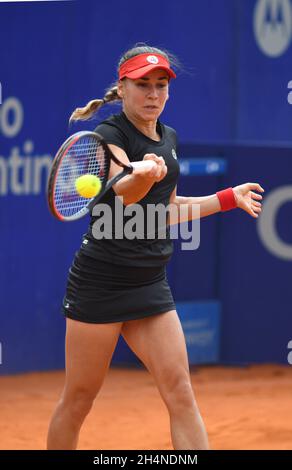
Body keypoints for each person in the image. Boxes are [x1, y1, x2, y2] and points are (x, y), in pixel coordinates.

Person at [47, 45, 264, 450]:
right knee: (78, 400)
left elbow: (166, 210)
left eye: (160, 85)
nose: (152, 94)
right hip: (100, 284)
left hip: (149, 283)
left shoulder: (170, 139)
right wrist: (142, 173)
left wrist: (227, 198)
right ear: (122, 88)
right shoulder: (109, 135)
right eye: (142, 85)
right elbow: (127, 194)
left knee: (180, 391)